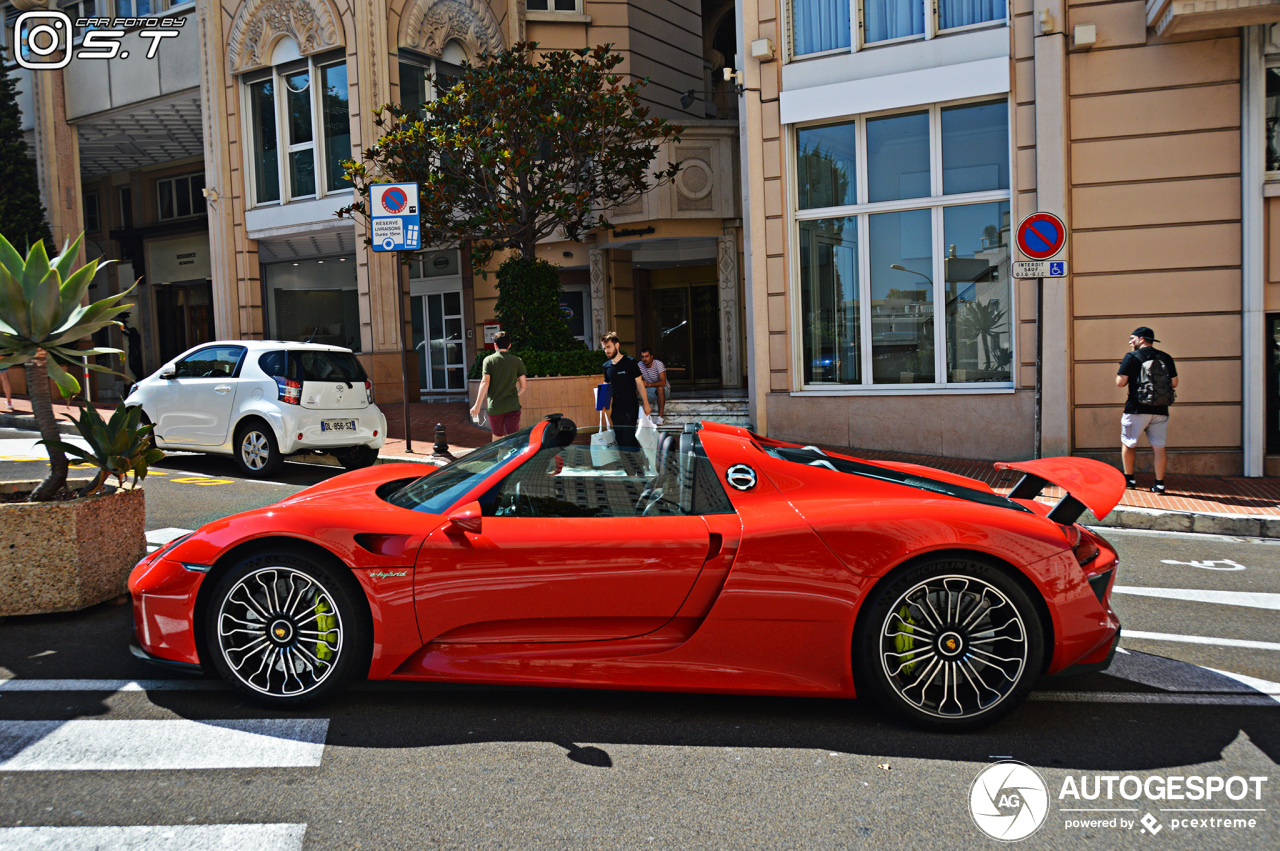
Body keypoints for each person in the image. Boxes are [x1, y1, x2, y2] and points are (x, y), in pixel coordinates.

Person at [1116, 326, 1178, 494]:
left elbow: (1120, 382)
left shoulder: (1131, 357)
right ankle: (1159, 484)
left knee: (1128, 443)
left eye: (1132, 338)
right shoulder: (1166, 357)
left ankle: (1129, 480)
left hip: (1136, 408)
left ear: (1141, 339)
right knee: (1159, 447)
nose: (1130, 342)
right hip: (1160, 409)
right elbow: (1174, 383)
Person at [470, 331, 527, 441]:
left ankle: (500, 458)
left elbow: (484, 383)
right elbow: (523, 385)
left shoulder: (489, 360)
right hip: (513, 406)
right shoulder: (517, 361)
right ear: (509, 345)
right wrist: (515, 395)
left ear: (495, 345)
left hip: (495, 407)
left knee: (497, 439)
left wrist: (477, 405)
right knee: (513, 439)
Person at [600, 331, 650, 449]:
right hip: (616, 409)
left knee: (628, 440)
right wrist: (601, 403)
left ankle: (635, 466)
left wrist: (646, 404)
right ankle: (628, 466)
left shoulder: (630, 362)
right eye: (604, 348)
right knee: (620, 440)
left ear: (617, 345)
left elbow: (639, 384)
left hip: (630, 408)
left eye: (609, 347)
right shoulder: (606, 366)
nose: (606, 350)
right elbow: (606, 384)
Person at [638, 347, 668, 422]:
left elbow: (663, 382)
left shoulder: (658, 364)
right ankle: (637, 418)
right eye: (643, 357)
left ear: (651, 356)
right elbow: (638, 381)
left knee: (660, 388)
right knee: (634, 390)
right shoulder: (640, 365)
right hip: (650, 391)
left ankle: (660, 418)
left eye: (647, 356)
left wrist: (648, 384)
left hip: (664, 391)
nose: (645, 359)